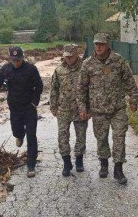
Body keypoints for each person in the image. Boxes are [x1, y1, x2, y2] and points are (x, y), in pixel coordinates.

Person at [76, 33, 138, 184]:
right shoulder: (88, 64)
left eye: (101, 44)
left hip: (117, 108)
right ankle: (104, 164)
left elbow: (130, 81)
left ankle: (118, 169)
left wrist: (133, 99)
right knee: (101, 139)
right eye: (96, 44)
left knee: (119, 137)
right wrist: (82, 108)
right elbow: (81, 88)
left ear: (107, 45)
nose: (98, 47)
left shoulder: (118, 61)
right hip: (98, 110)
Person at [0, 46, 43, 178]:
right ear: (10, 59)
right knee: (16, 131)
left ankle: (31, 165)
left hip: (29, 107)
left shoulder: (31, 69)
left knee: (31, 135)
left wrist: (35, 102)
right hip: (15, 107)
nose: (16, 62)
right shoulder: (6, 69)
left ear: (22, 58)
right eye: (14, 60)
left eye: (18, 60)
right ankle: (19, 135)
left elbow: (39, 86)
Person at [50, 44, 88, 177]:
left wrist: (89, 108)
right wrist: (53, 106)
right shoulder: (59, 69)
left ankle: (79, 160)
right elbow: (54, 88)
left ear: (77, 54)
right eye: (66, 57)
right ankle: (66, 162)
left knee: (81, 136)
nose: (68, 59)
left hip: (80, 109)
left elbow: (91, 89)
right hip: (63, 109)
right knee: (62, 136)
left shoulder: (85, 68)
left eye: (71, 57)